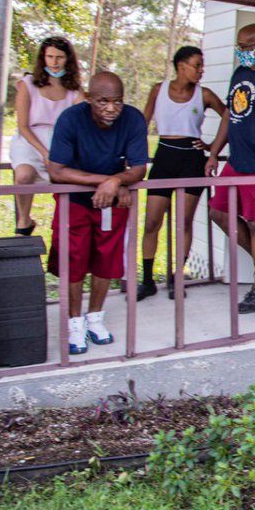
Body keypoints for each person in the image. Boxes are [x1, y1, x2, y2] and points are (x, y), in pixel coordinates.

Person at [46, 71, 150, 355]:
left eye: (117, 101)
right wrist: (105, 181)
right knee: (74, 259)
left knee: (107, 258)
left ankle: (95, 317)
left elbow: (139, 168)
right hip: (76, 201)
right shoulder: (71, 119)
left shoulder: (132, 118)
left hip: (111, 202)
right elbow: (56, 171)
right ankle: (74, 322)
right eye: (103, 101)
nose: (111, 108)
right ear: (89, 98)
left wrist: (116, 181)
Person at [205, 23, 255, 315]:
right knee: (218, 212)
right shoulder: (239, 74)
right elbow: (230, 112)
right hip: (236, 161)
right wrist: (214, 153)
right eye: (238, 47)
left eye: (245, 47)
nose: (240, 53)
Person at [137, 46, 227, 301]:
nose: (201, 70)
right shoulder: (158, 90)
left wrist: (212, 148)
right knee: (152, 221)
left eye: (202, 65)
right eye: (196, 65)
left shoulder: (205, 94)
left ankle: (177, 278)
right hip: (164, 157)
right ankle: (147, 280)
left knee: (184, 221)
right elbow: (141, 124)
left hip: (191, 159)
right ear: (181, 66)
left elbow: (229, 116)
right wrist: (134, 159)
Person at [9, 36, 85, 235]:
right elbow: (23, 126)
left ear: (67, 59)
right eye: (50, 56)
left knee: (71, 180)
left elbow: (84, 114)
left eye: (59, 57)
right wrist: (44, 152)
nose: (54, 61)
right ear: (43, 58)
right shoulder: (28, 84)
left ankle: (65, 228)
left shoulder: (74, 90)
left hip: (61, 141)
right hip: (30, 141)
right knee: (24, 175)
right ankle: (24, 221)